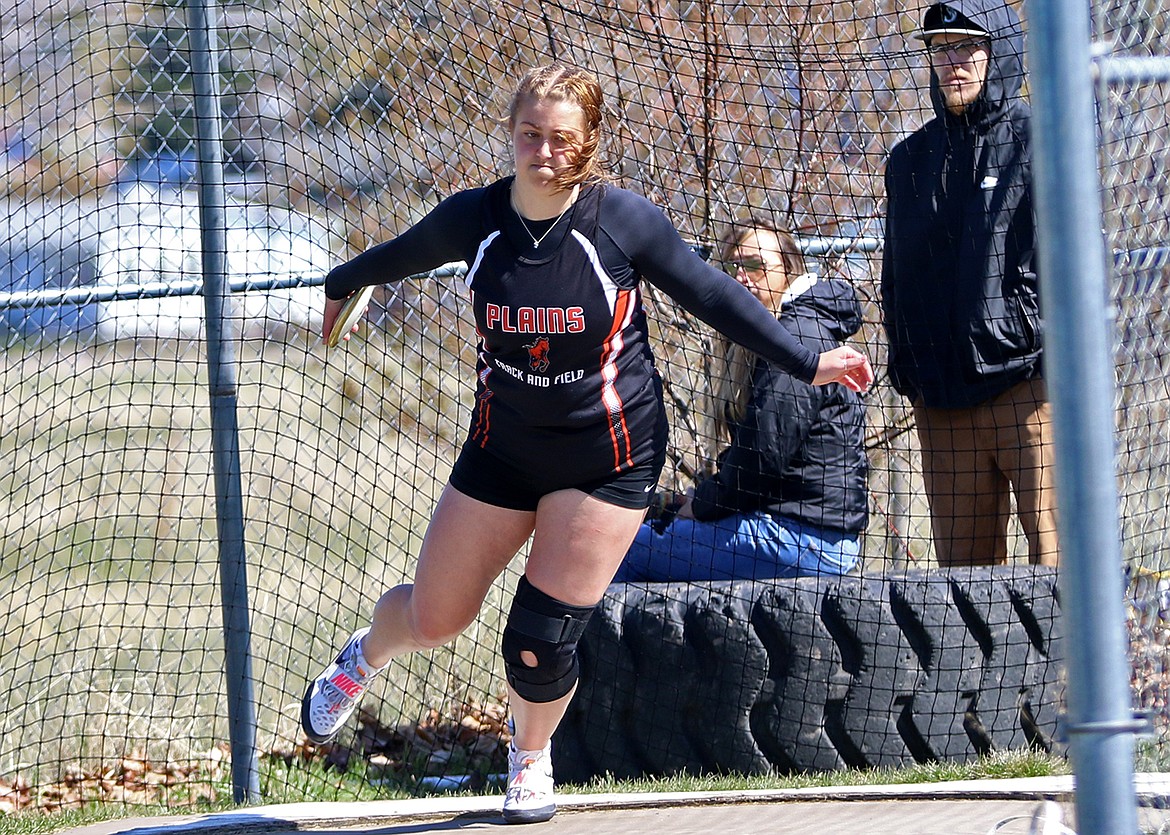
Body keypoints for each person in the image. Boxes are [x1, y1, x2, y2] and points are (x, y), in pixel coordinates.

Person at [301, 63, 873, 825]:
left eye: (560, 139)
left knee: (537, 638)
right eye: (529, 134)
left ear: (589, 145)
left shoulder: (621, 222)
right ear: (511, 134)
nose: (542, 151)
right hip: (502, 450)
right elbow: (394, 255)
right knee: (437, 618)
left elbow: (713, 294)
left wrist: (809, 359)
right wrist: (341, 280)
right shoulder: (475, 219)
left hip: (608, 456)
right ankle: (364, 654)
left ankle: (530, 760)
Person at [880, 0, 1059, 568]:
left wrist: (1023, 332)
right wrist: (910, 362)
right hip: (941, 400)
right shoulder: (908, 160)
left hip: (1027, 389)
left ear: (998, 51)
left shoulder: (1040, 139)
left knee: (1057, 567)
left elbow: (1069, 262)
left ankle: (1067, 665)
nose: (953, 62)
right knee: (965, 587)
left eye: (967, 47)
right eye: (940, 49)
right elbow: (896, 276)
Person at [612, 220, 869, 583]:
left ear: (789, 270)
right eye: (732, 268)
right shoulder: (777, 336)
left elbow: (761, 460)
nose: (742, 277)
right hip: (794, 530)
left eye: (755, 266)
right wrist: (699, 499)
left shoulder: (798, 337)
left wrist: (701, 506)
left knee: (613, 552)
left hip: (803, 539)